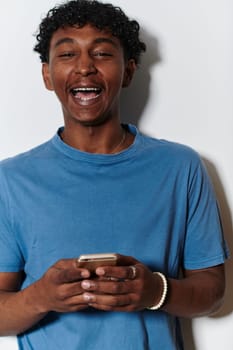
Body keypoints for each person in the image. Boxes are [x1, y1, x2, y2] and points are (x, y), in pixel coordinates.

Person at [0, 0, 228, 349]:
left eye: (102, 53)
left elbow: (212, 292)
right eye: (67, 54)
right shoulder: (11, 180)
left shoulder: (181, 168)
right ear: (47, 75)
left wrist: (155, 290)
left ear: (129, 71)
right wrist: (40, 297)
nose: (85, 67)